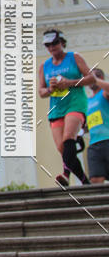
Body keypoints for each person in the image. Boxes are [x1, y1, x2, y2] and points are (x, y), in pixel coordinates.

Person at [38, 27, 93, 187]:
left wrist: (69, 82)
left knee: (68, 137)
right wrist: (50, 89)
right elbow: (41, 92)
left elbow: (91, 78)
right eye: (48, 45)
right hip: (57, 108)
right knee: (63, 149)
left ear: (62, 42)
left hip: (75, 103)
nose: (52, 47)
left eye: (55, 43)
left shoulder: (74, 57)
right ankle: (85, 182)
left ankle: (65, 174)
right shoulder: (44, 66)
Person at [86, 68, 109, 184]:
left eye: (94, 76)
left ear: (101, 78)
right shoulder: (87, 101)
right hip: (94, 144)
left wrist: (95, 80)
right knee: (95, 180)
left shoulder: (104, 93)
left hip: (107, 140)